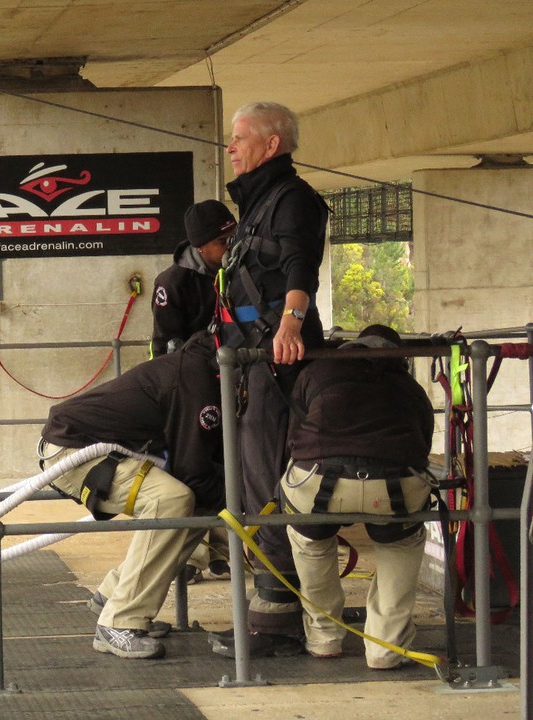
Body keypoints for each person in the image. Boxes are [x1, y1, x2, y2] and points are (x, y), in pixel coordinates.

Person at [209, 101, 329, 659]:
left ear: (271, 145)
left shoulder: (293, 200)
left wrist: (290, 325)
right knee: (253, 482)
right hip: (251, 364)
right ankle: (274, 609)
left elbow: (302, 265)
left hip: (279, 364)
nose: (230, 148)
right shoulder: (258, 205)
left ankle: (276, 619)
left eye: (238, 138)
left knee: (268, 483)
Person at [38, 328, 226, 660]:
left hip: (95, 447)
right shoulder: (198, 382)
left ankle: (112, 595)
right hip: (74, 453)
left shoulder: (197, 367)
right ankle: (119, 622)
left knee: (201, 508)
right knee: (171, 500)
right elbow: (193, 467)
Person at [279, 324, 435, 669]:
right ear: (399, 356)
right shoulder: (410, 387)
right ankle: (385, 649)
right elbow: (422, 447)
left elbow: (294, 438)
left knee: (311, 539)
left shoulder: (317, 370)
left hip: (318, 482)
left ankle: (323, 639)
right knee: (400, 543)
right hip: (395, 486)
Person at [150, 199, 237, 581]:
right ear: (201, 246)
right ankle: (187, 557)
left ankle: (219, 550)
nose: (231, 247)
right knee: (189, 469)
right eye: (224, 241)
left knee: (223, 465)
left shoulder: (231, 273)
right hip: (189, 391)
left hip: (227, 386)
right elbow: (164, 346)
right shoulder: (171, 284)